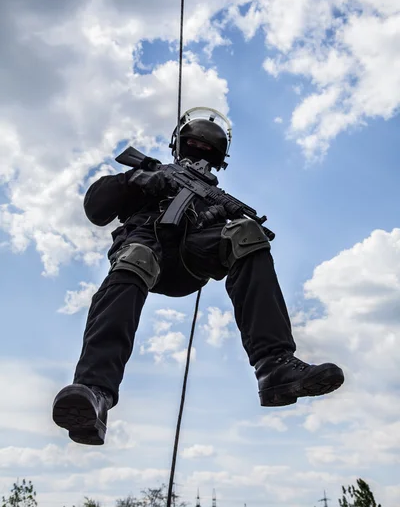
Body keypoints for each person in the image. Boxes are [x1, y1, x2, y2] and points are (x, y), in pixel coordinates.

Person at [52, 107, 344, 446]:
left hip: (192, 258)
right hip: (147, 244)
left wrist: (219, 214)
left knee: (247, 233)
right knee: (136, 257)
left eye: (207, 150)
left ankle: (273, 365)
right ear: (179, 145)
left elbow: (229, 239)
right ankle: (95, 392)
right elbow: (95, 208)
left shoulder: (211, 196)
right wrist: (136, 180)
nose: (199, 153)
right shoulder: (151, 173)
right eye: (194, 145)